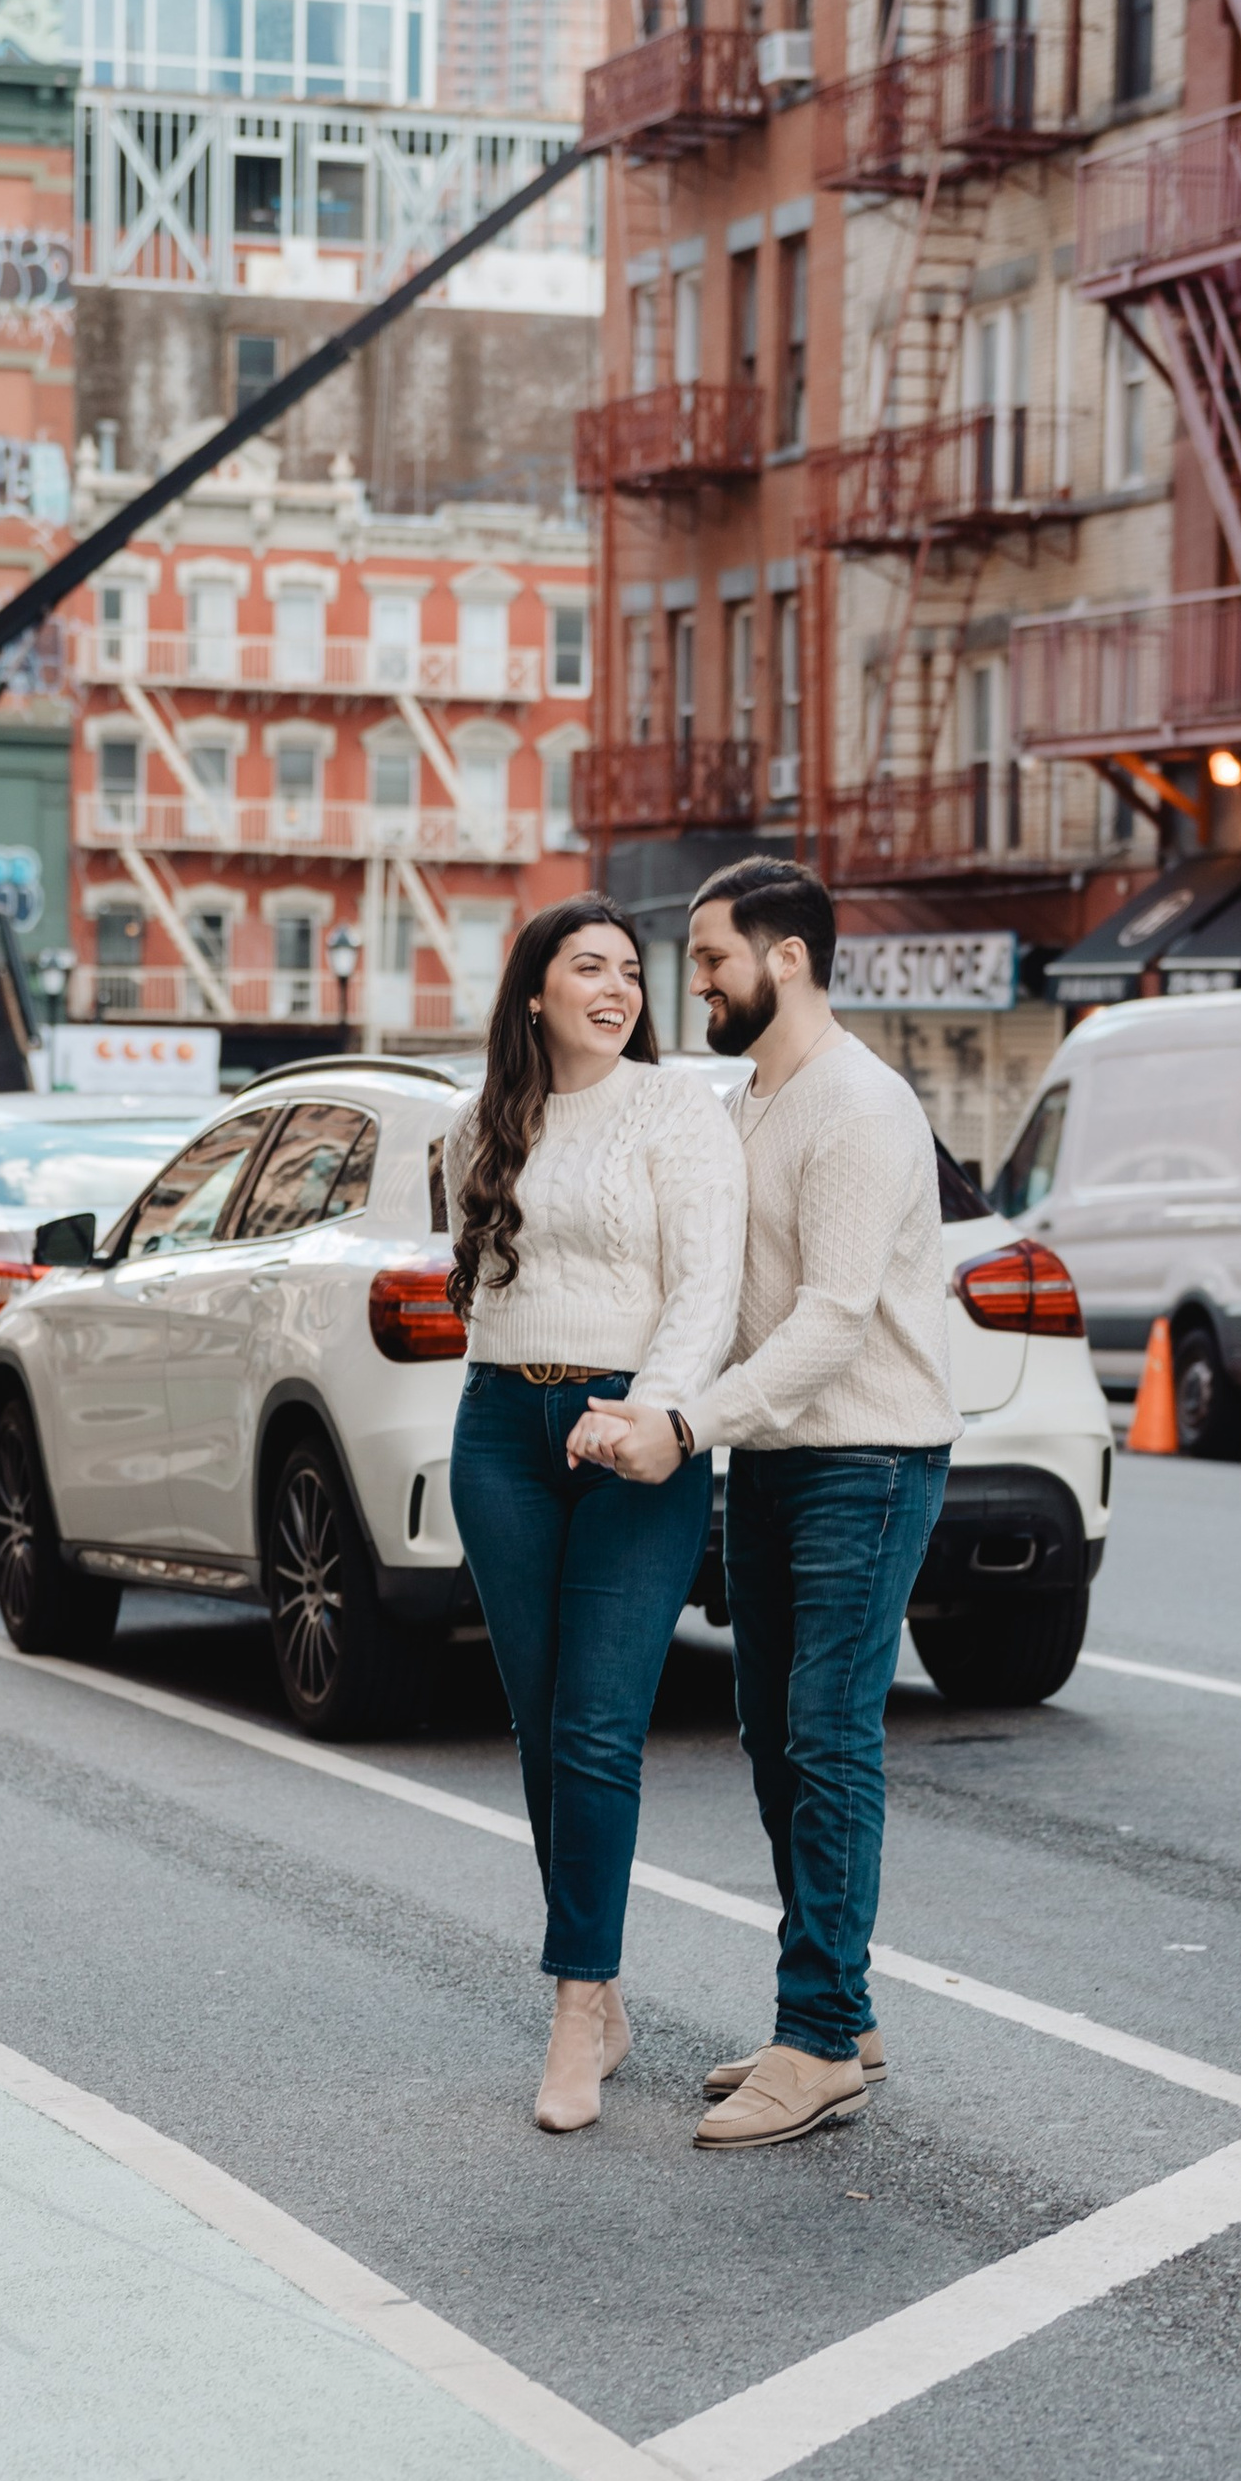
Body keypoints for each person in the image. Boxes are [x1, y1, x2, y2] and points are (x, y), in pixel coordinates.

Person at [572, 857, 956, 2151]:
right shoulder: (743, 1104)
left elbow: (834, 1320)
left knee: (828, 1737)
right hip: (779, 1459)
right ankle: (840, 2014)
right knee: (773, 1736)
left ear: (785, 958)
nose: (697, 983)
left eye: (712, 958)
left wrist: (687, 1425)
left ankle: (820, 2037)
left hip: (869, 1459)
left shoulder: (858, 1104)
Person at [446, 894, 746, 2136]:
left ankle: (575, 2007)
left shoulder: (676, 1109)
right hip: (499, 1433)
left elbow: (707, 1286)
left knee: (597, 1730)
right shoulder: (476, 1124)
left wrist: (649, 1413)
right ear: (535, 993)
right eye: (588, 967)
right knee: (538, 1727)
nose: (618, 987)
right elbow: (481, 1288)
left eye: (630, 969)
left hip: (633, 1435)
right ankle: (601, 1989)